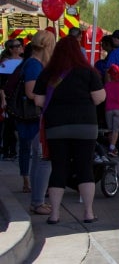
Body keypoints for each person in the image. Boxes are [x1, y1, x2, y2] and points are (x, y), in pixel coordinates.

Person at [34, 36, 105, 225]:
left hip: (56, 127)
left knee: (59, 168)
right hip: (86, 126)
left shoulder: (48, 73)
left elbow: (39, 101)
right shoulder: (88, 72)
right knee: (84, 167)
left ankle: (54, 214)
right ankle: (89, 213)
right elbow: (99, 98)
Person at [17, 31, 55, 215]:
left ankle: (37, 200)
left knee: (38, 160)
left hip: (33, 118)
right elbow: (31, 93)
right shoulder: (34, 65)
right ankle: (38, 201)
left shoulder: (32, 63)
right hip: (33, 118)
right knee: (43, 160)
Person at [0, 39, 24, 161]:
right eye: (17, 46)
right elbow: (1, 84)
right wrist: (3, 98)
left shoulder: (23, 62)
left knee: (14, 125)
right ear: (11, 49)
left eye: (20, 45)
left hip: (19, 98)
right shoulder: (4, 64)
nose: (21, 47)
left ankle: (11, 150)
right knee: (9, 125)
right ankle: (9, 150)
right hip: (10, 98)